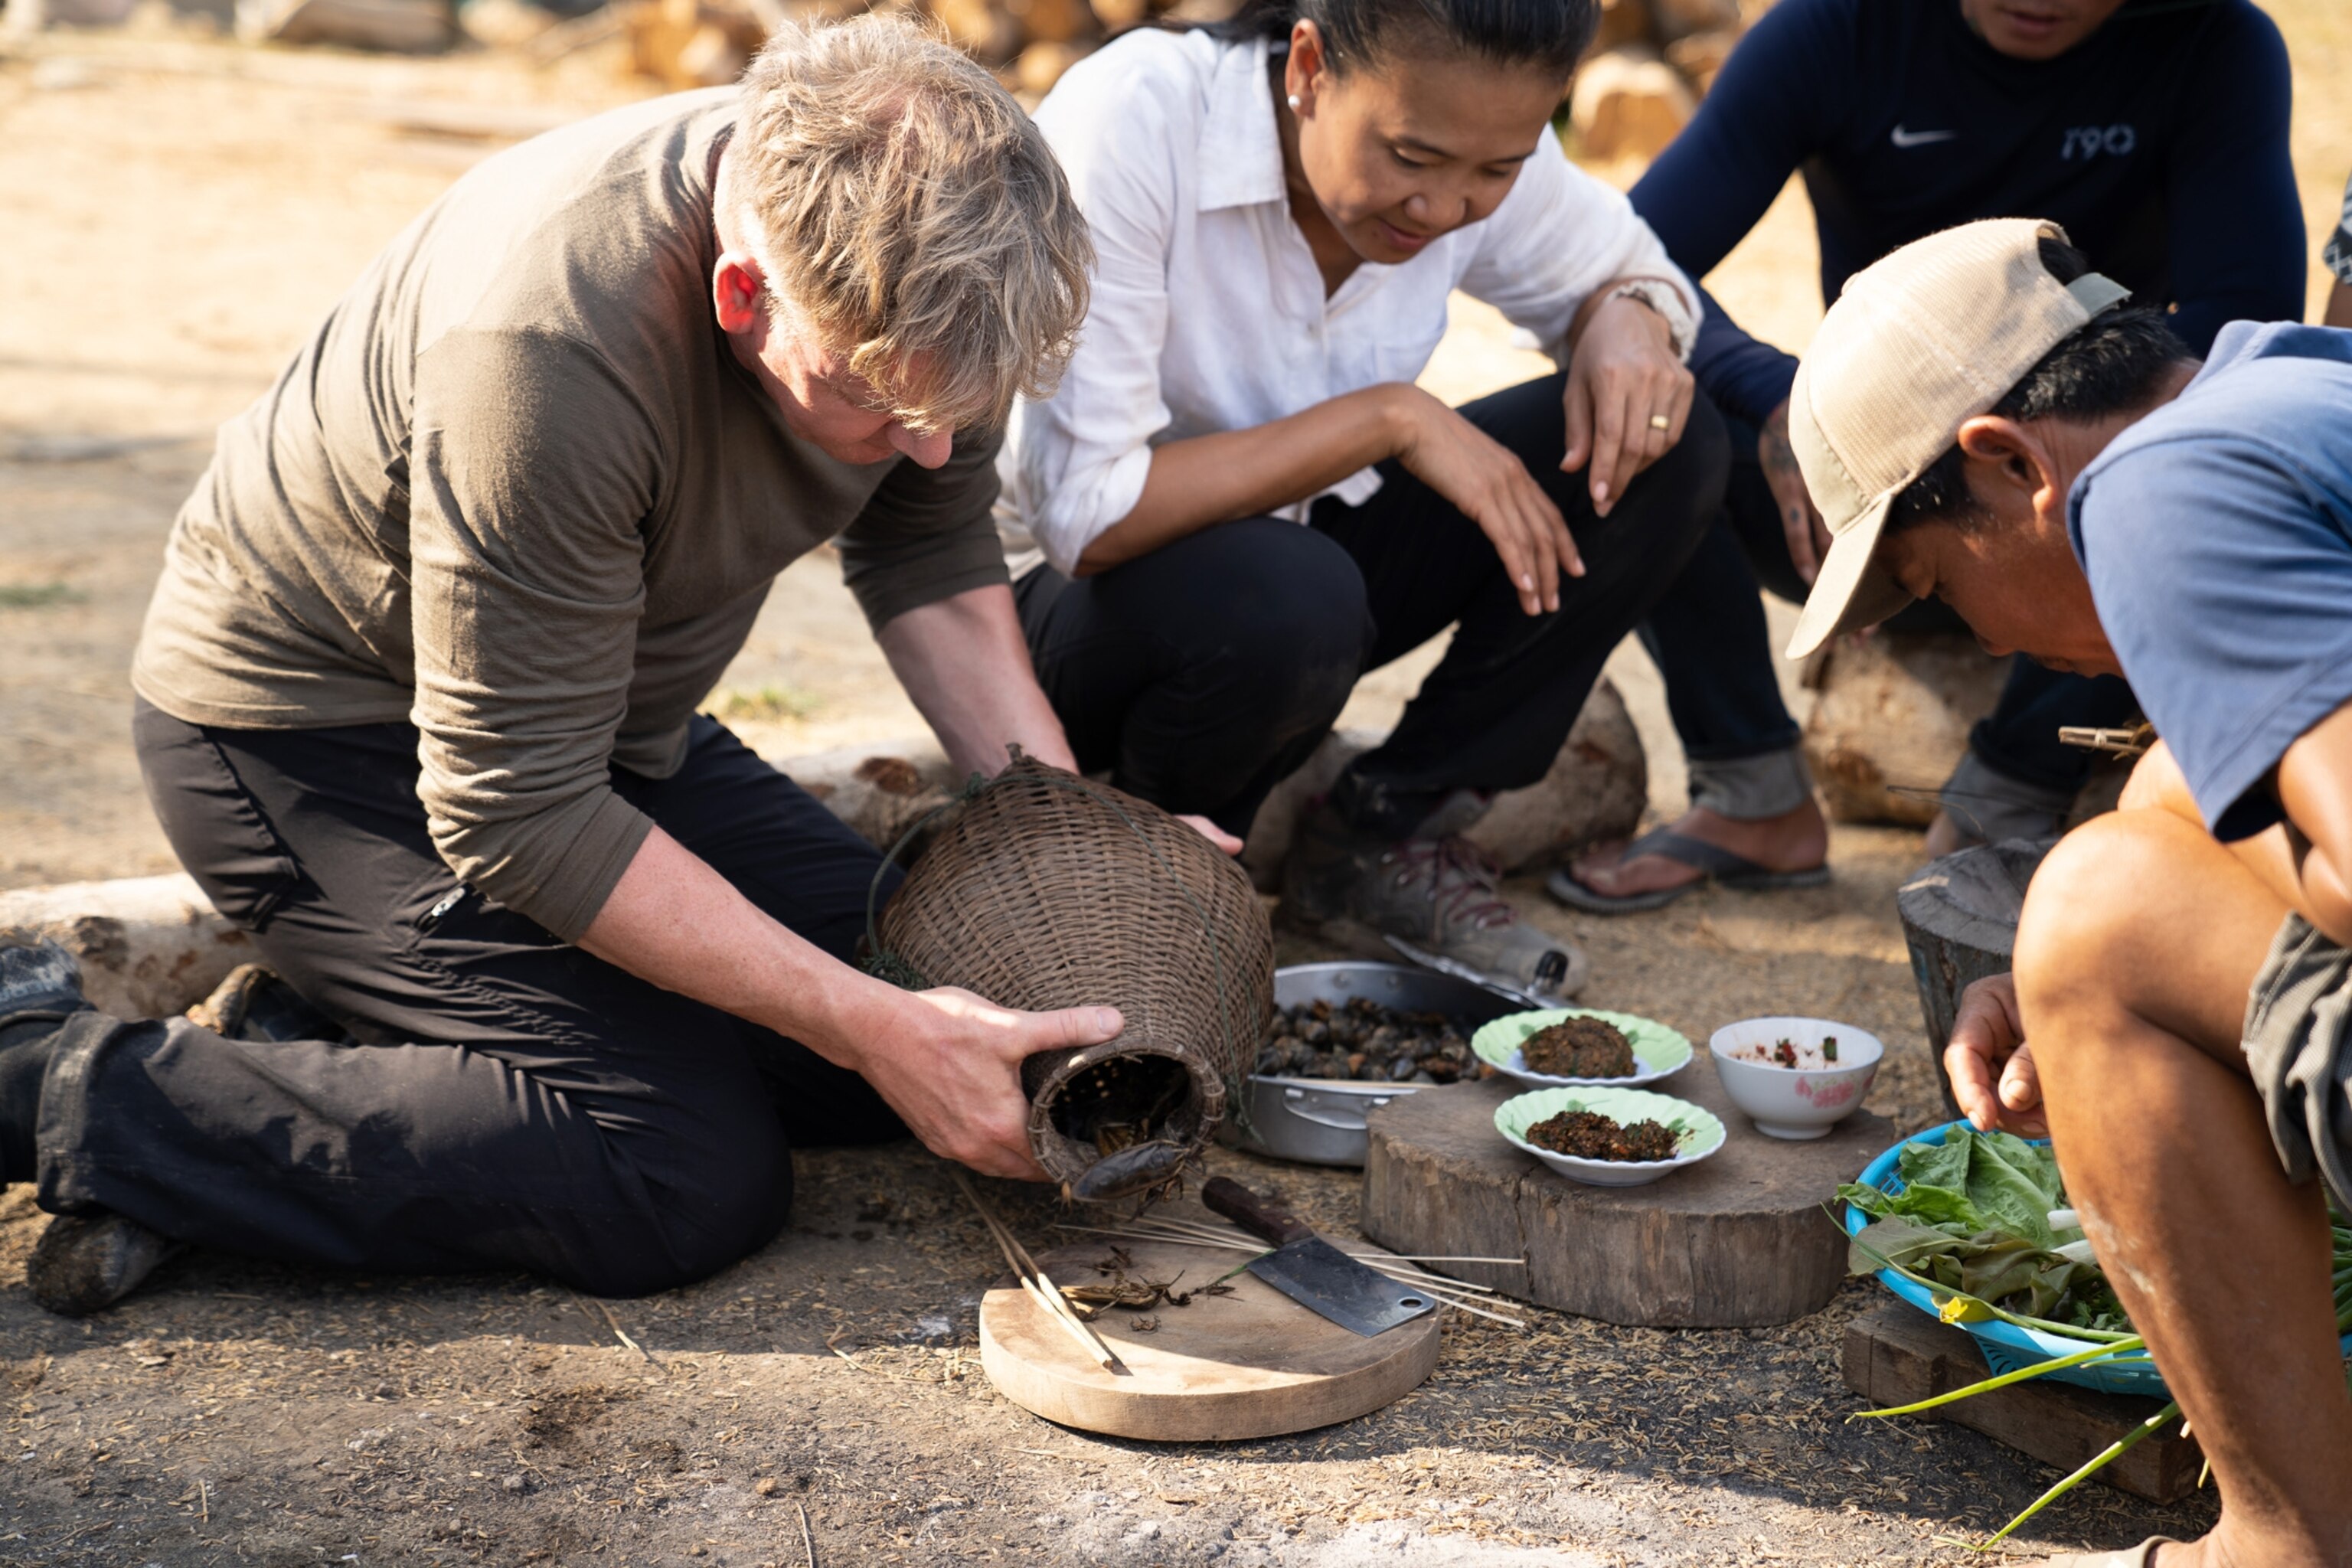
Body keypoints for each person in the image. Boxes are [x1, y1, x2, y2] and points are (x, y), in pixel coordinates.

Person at [0, 15, 1132, 1318]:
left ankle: (344, 1038)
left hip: (595, 728)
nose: (928, 453)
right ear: (742, 296)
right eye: (878, 407)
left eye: (955, 412)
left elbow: (930, 559)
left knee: (960, 1018)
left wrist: (1067, 836)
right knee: (675, 1169)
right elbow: (514, 805)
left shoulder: (943, 265)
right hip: (317, 744)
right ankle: (52, 1075)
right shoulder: (544, 349)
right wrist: (872, 1025)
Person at [1783, 217, 2352, 1568]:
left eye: (1934, 585)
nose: (1981, 639)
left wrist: (2105, 947)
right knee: (2122, 865)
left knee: (2093, 910)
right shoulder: (2298, 383)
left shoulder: (2160, 488)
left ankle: (2281, 1544)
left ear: (2008, 462)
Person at [998, 0, 1729, 995]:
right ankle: (1143, 875)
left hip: (1298, 572)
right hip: (1064, 612)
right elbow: (1089, 512)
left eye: (1497, 171)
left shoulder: (1470, 129)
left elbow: (1629, 264)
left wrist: (1630, 315)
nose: (1444, 208)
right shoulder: (1134, 120)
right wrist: (1390, 420)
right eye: (1411, 158)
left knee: (1670, 445)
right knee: (1286, 596)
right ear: (1308, 66)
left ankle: (1383, 836)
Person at [1553, 0, 2301, 911]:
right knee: (1623, 398)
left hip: (2084, 506)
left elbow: (2240, 331)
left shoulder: (2213, 41)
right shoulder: (1834, 32)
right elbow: (1624, 266)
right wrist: (1776, 396)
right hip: (1883, 514)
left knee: (2176, 457)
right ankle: (1749, 786)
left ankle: (2014, 784)